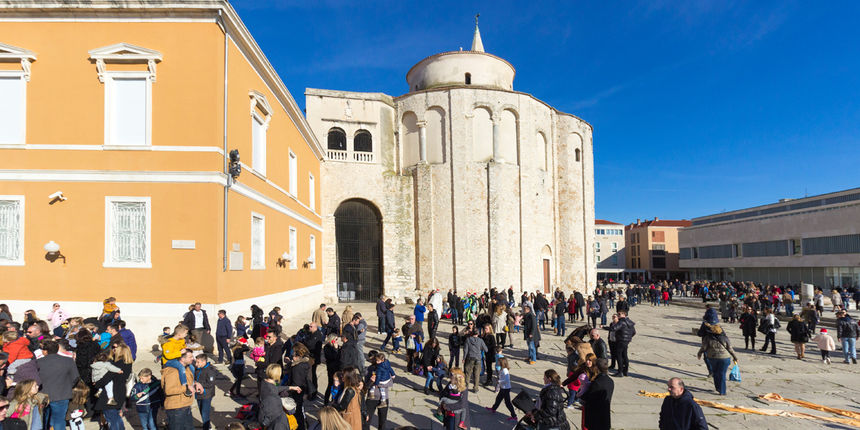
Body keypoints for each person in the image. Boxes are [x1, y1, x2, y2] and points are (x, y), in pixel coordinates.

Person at [37, 339, 80, 430]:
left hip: (43, 395)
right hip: (62, 394)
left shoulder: (38, 362)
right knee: (59, 420)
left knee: (44, 421)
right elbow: (75, 377)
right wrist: (67, 386)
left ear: (45, 351)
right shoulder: (68, 360)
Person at [696, 322, 738, 395]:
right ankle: (722, 391)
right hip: (724, 358)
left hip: (713, 357)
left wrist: (699, 353)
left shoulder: (708, 338)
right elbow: (730, 349)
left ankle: (718, 388)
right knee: (722, 374)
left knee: (715, 373)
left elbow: (704, 347)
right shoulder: (725, 338)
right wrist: (735, 357)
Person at [162, 349, 196, 430]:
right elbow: (168, 390)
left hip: (185, 406)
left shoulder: (187, 368)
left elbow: (189, 382)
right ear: (182, 359)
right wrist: (186, 388)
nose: (193, 358)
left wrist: (196, 383)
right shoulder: (172, 372)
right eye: (190, 357)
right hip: (176, 409)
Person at [286, 343, 316, 430]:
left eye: (293, 354)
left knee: (297, 414)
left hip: (297, 393)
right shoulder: (306, 363)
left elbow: (296, 382)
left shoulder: (298, 367)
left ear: (298, 355)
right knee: (300, 412)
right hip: (303, 391)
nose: (292, 355)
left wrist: (288, 390)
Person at [581, 358, 614, 430]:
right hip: (605, 414)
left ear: (597, 368)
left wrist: (582, 391)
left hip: (595, 417)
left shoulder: (597, 383)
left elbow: (587, 397)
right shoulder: (610, 381)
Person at [259, 364, 292, 430]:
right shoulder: (272, 392)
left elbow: (276, 388)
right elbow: (273, 413)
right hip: (276, 423)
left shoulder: (265, 382)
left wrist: (290, 387)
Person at [485, 357, 517, 421]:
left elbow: (506, 379)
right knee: (498, 399)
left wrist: (499, 381)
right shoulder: (502, 369)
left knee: (507, 403)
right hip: (503, 388)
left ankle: (514, 416)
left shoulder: (505, 370)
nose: (498, 363)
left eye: (499, 362)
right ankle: (494, 409)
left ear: (502, 363)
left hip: (506, 389)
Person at [610, 311, 635, 377]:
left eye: (619, 314)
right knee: (625, 355)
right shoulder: (629, 321)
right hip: (626, 341)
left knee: (619, 356)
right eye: (618, 314)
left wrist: (605, 327)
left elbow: (614, 328)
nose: (618, 315)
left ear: (624, 314)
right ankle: (625, 371)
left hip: (621, 340)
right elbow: (634, 332)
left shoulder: (621, 321)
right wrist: (628, 338)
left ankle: (620, 371)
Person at [462, 327, 486, 393]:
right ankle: (475, 388)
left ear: (472, 333)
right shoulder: (480, 340)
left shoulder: (468, 340)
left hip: (470, 358)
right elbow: (486, 349)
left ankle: (466, 387)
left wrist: (464, 358)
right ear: (478, 333)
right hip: (478, 358)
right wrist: (479, 348)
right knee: (476, 374)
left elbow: (465, 350)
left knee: (467, 373)